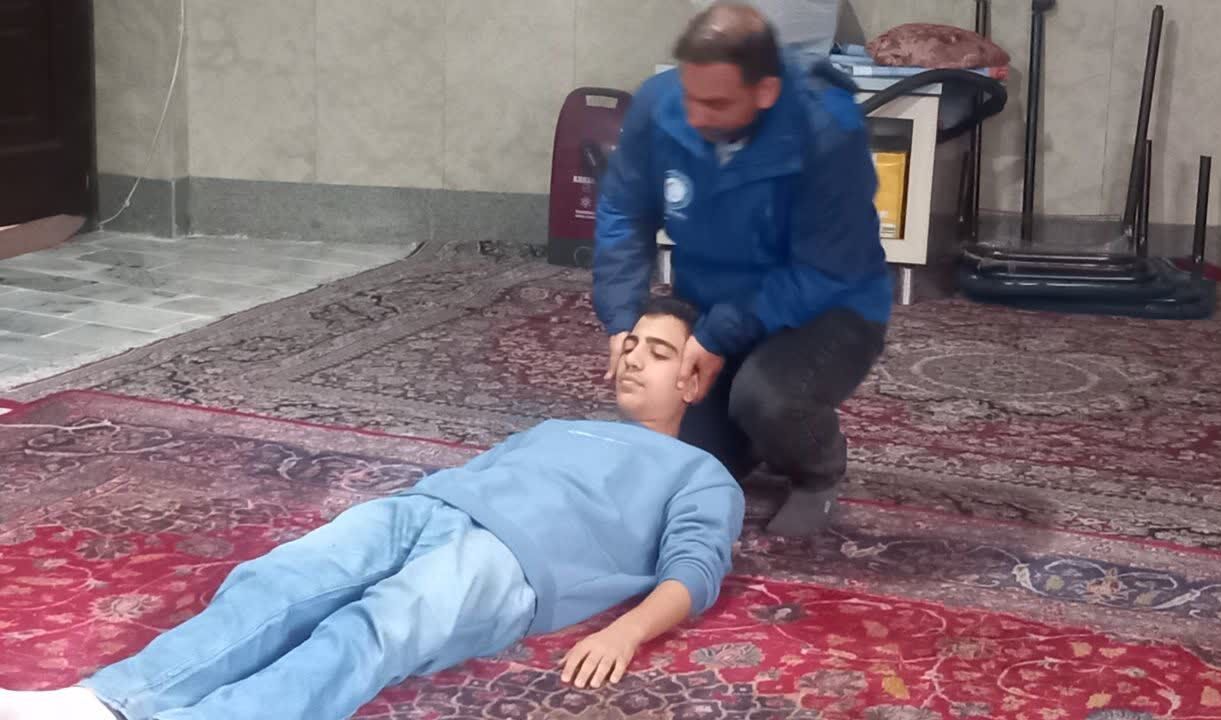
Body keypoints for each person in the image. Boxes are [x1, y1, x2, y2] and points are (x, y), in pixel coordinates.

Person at [0, 297, 744, 720]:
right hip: (429, 506)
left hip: (517, 562)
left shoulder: (701, 474)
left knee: (376, 626)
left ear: (693, 379)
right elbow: (481, 474)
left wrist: (626, 632)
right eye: (631, 344)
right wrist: (423, 505)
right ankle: (103, 703)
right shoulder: (556, 427)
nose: (632, 358)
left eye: (658, 352)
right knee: (278, 580)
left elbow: (695, 571)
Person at [592, 2, 891, 538]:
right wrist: (622, 318)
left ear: (766, 91)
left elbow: (826, 267)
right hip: (709, 302)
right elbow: (623, 209)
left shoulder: (827, 127)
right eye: (690, 96)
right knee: (667, 434)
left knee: (767, 399)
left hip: (829, 308)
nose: (696, 116)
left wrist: (718, 335)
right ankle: (745, 437)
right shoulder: (659, 104)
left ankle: (818, 470)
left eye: (716, 103)